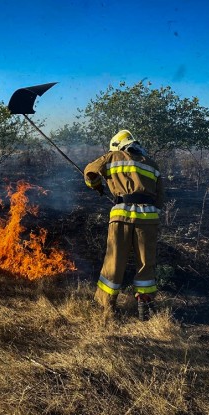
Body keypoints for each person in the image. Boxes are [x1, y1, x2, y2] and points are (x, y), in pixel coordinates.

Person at [84, 130, 164, 320]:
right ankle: (145, 304)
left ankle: (105, 305)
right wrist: (153, 214)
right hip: (148, 217)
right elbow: (160, 196)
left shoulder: (112, 156)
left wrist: (97, 186)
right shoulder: (152, 164)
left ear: (118, 145)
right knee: (146, 261)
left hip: (121, 214)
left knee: (114, 260)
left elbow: (90, 172)